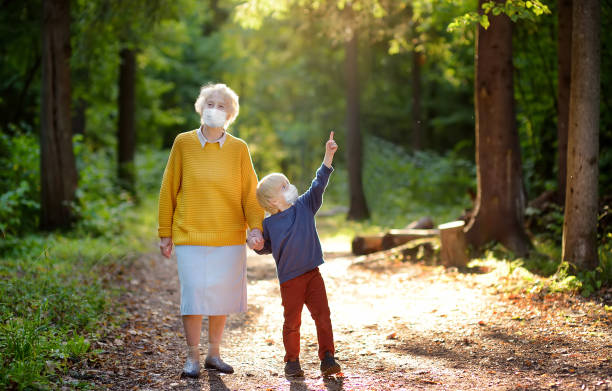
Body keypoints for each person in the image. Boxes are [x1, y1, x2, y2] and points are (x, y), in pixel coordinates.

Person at [158, 83, 265, 378]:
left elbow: (250, 193)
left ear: (230, 115)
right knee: (193, 296)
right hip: (190, 234)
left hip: (229, 236)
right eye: (211, 103)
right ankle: (192, 357)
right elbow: (169, 189)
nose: (214, 109)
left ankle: (214, 354)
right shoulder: (183, 143)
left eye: (221, 106)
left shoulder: (239, 149)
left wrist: (255, 228)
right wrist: (164, 232)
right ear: (201, 106)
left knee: (220, 297)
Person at [250, 131, 342, 377]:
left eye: (289, 183)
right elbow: (268, 247)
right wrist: (259, 245)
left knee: (323, 316)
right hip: (290, 280)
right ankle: (292, 362)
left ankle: (328, 357)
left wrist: (328, 156)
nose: (290, 187)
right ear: (272, 200)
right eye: (284, 186)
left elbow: (318, 183)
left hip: (313, 274)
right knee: (292, 322)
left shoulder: (304, 205)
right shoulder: (270, 224)